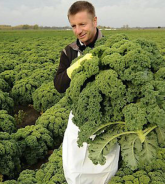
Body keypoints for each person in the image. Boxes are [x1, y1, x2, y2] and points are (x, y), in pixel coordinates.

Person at [54, 1, 120, 184]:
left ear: (95, 21)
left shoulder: (113, 46)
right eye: (73, 26)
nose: (78, 31)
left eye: (82, 24)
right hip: (79, 117)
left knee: (105, 168)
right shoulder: (70, 51)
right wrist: (75, 67)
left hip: (108, 120)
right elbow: (59, 85)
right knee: (75, 168)